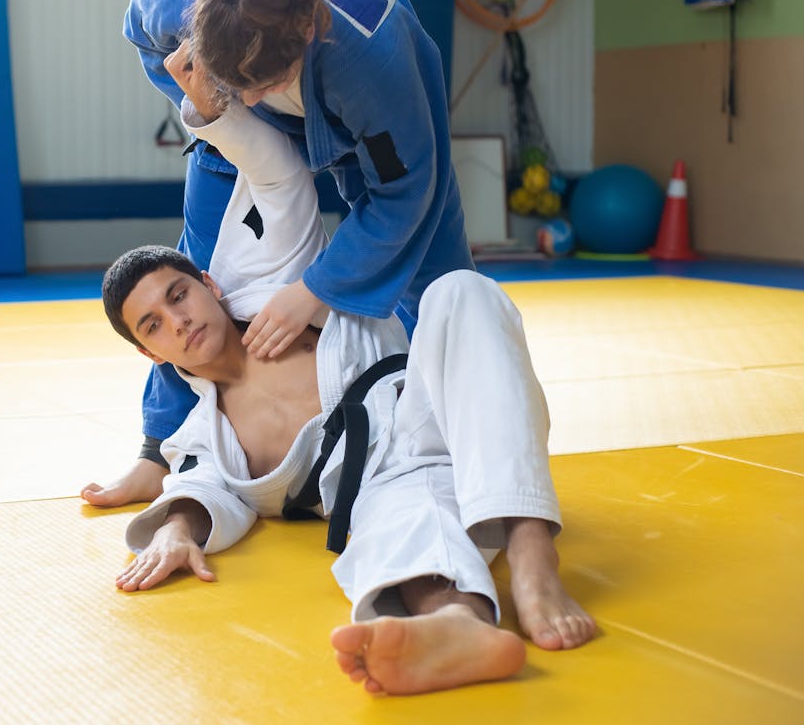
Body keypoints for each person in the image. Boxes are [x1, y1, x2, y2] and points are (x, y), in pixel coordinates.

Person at [82, 0, 473, 508]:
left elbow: (404, 194)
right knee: (188, 286)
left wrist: (312, 290)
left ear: (308, 29)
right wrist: (210, 106)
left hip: (364, 103)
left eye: (268, 84)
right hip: (220, 98)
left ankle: (459, 442)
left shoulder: (373, 57)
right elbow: (142, 38)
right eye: (248, 87)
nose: (260, 101)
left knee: (443, 285)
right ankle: (159, 448)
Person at [100, 247, 597, 696]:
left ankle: (533, 551)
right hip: (386, 488)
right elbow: (197, 486)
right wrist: (175, 530)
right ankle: (458, 625)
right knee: (405, 518)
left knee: (461, 288)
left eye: (179, 295)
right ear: (150, 354)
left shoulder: (299, 311)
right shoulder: (202, 432)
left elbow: (286, 195)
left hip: (438, 409)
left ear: (209, 286)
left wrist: (311, 296)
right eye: (153, 325)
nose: (178, 321)